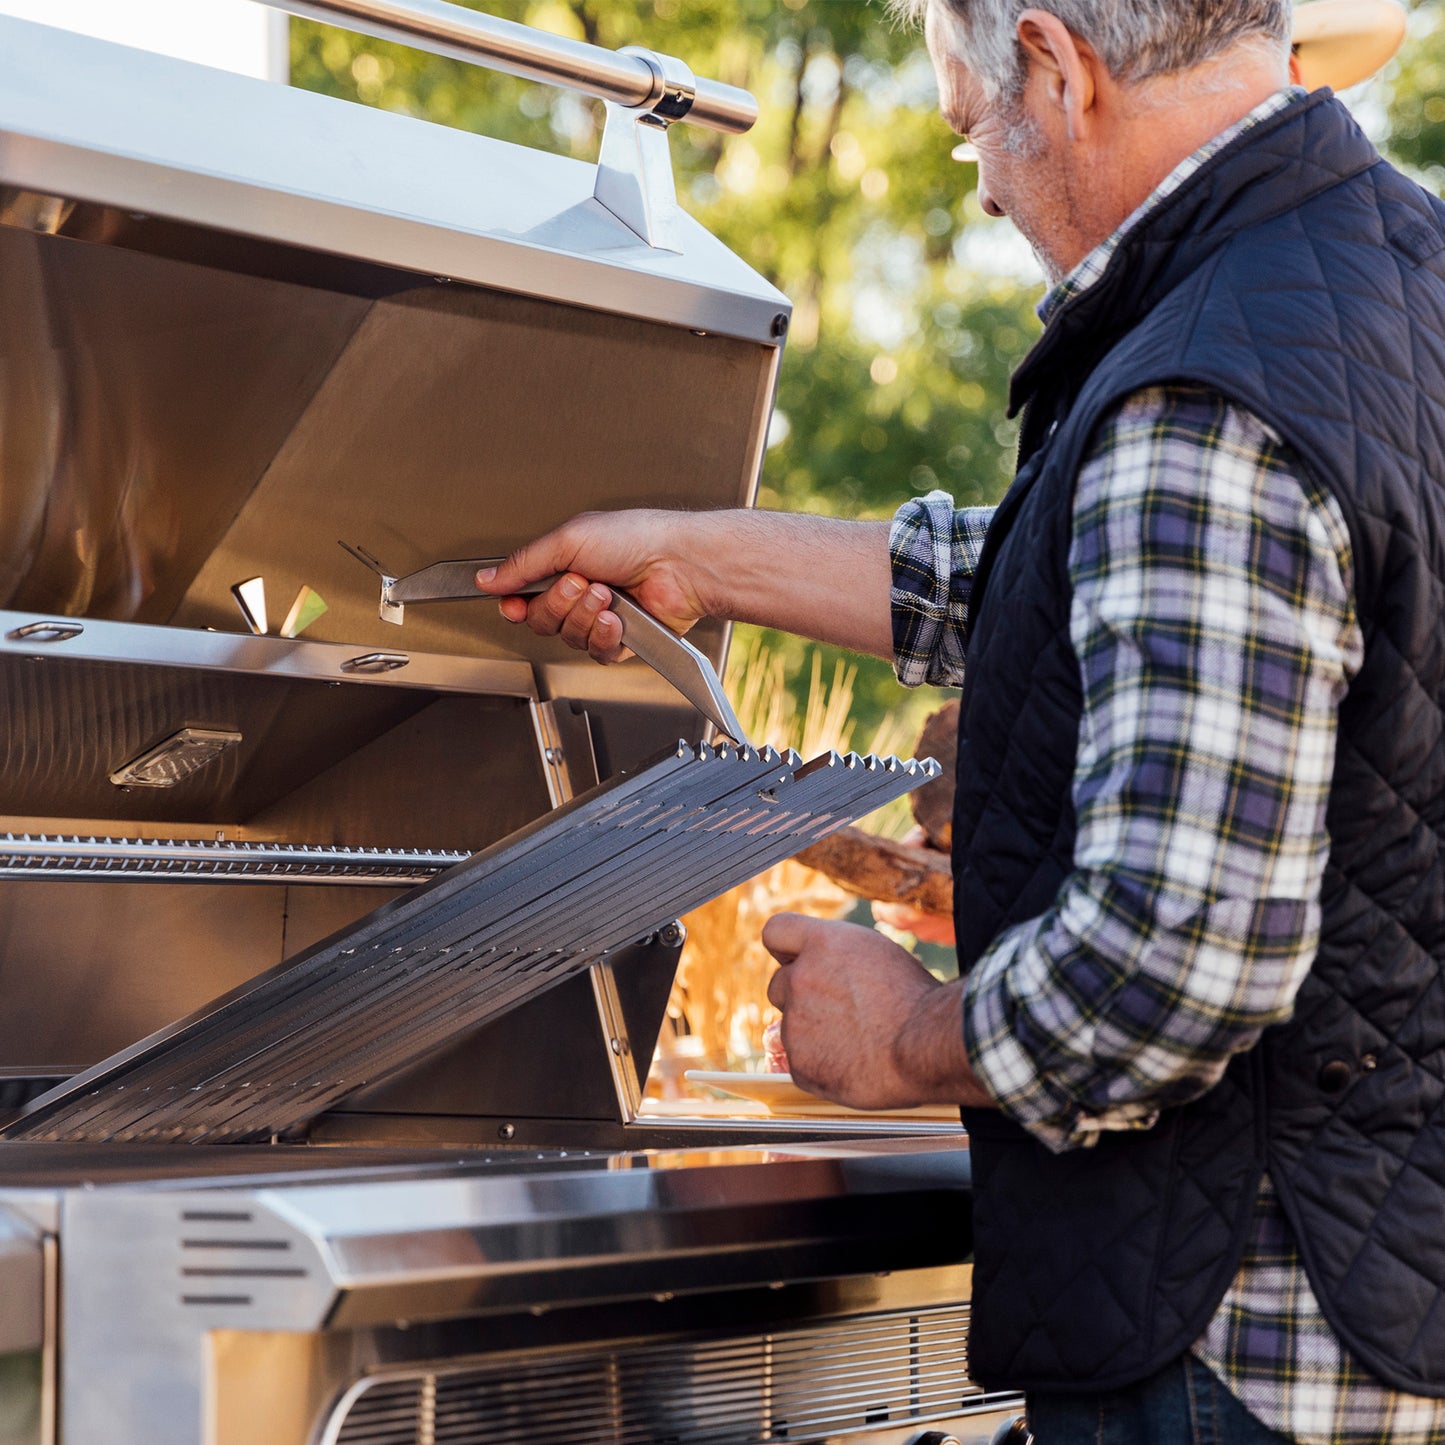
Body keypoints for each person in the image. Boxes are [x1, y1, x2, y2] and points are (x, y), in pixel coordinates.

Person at [477, 1, 1445, 1439]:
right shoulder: (1386, 279)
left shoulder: (1203, 401)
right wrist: (689, 552)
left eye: (968, 126)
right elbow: (1057, 577)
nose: (981, 182)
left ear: (1056, 69)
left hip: (1235, 1345)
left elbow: (1171, 963)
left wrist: (908, 1033)